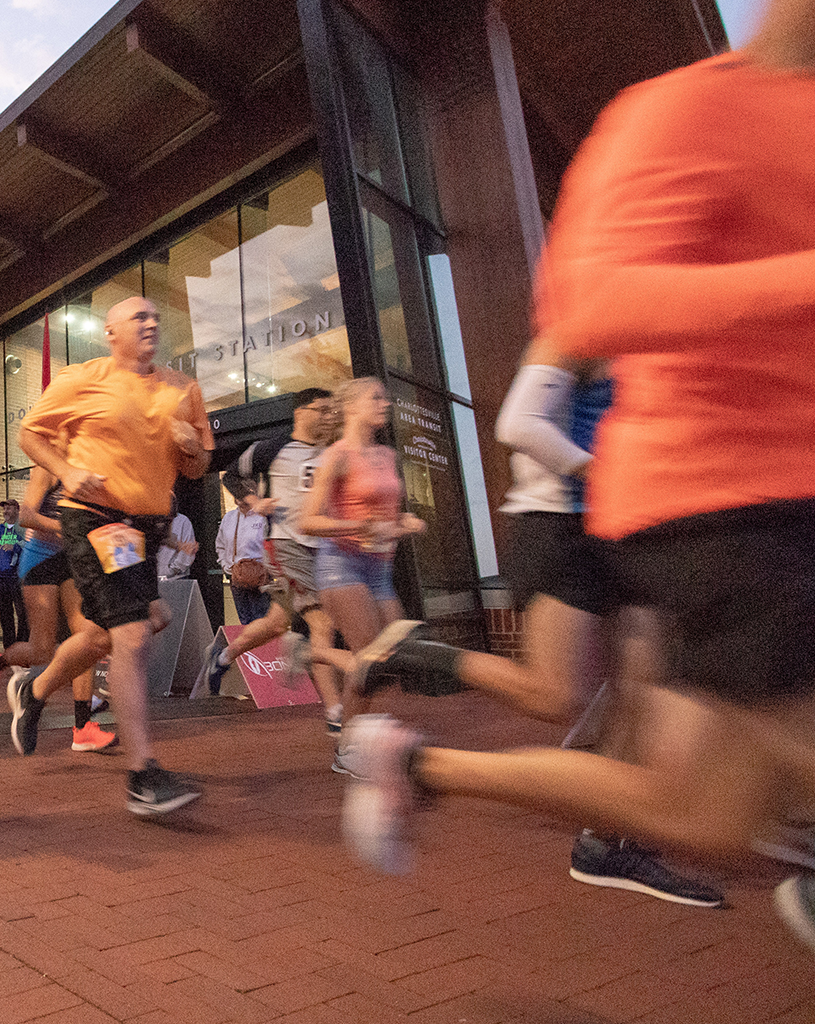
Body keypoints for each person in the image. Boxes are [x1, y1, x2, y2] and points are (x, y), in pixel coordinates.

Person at [341, 10, 815, 940]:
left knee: (704, 809)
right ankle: (410, 657)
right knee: (557, 695)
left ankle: (429, 764)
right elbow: (527, 410)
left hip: (655, 511)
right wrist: (588, 470)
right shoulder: (680, 116)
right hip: (635, 505)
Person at [333, 341, 723, 907]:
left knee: (638, 691)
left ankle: (608, 840)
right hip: (563, 526)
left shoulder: (652, 332)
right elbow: (519, 423)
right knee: (553, 696)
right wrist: (603, 471)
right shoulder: (584, 323)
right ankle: (414, 679)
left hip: (622, 528)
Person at [8, 296, 214, 816]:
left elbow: (196, 471)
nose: (150, 322)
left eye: (155, 316)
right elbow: (29, 434)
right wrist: (69, 471)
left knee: (116, 630)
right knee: (131, 634)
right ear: (110, 331)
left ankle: (36, 691)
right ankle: (143, 774)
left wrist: (191, 447)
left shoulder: (182, 388)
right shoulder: (83, 378)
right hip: (95, 519)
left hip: (146, 526)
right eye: (138, 317)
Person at [294, 376, 425, 774]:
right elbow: (308, 520)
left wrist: (406, 522)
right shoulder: (338, 455)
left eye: (386, 396)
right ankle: (349, 750)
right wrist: (356, 527)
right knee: (370, 658)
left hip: (379, 569)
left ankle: (357, 733)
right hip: (342, 565)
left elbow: (387, 518)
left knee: (395, 654)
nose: (385, 403)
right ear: (352, 406)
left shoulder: (387, 455)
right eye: (376, 397)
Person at [201, 389, 344, 727]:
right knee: (322, 624)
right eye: (320, 410)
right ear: (300, 412)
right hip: (286, 545)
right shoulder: (273, 447)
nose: (327, 416)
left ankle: (221, 655)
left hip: (323, 547)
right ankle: (336, 716)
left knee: (278, 623)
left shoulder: (332, 451)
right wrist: (253, 500)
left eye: (330, 411)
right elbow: (232, 474)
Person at [0, 466, 117, 754]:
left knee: (86, 638)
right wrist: (68, 528)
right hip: (41, 559)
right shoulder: (48, 466)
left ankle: (83, 728)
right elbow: (26, 516)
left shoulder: (93, 463)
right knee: (42, 652)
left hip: (73, 560)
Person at [215, 489, 269, 624]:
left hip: (260, 577)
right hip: (236, 577)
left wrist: (266, 569)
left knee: (261, 619)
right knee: (244, 619)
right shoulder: (229, 518)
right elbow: (220, 545)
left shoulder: (263, 517)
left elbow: (270, 545)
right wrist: (226, 566)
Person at [0, 497, 28, 649]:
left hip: (17, 577)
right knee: (5, 615)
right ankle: (9, 648)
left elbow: (30, 546)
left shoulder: (22, 529)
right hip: (1, 577)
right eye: (4, 508)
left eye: (9, 508)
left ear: (17, 510)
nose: (5, 511)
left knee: (22, 614)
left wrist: (16, 546)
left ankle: (22, 646)